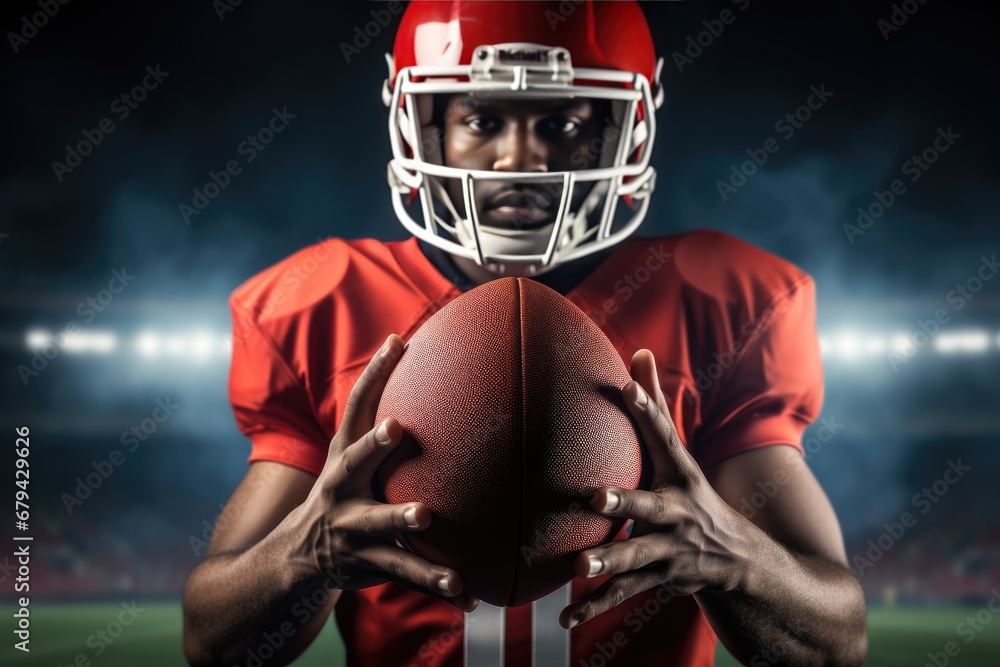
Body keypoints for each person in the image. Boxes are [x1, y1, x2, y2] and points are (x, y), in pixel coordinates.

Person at [182, 2, 867, 666]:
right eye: (482, 118)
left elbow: (834, 644)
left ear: (622, 130)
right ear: (422, 126)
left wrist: (731, 556)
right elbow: (215, 643)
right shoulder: (323, 302)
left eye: (563, 121)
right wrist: (305, 555)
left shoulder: (723, 298)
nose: (520, 160)